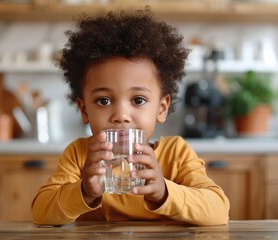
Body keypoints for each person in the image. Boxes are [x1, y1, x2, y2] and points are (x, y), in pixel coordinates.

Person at [31, 7, 230, 226]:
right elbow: (41, 213)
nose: (121, 116)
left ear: (161, 108)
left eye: (138, 100)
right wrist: (84, 191)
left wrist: (164, 192)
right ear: (84, 110)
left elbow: (218, 210)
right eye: (104, 101)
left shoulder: (176, 155)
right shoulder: (80, 156)